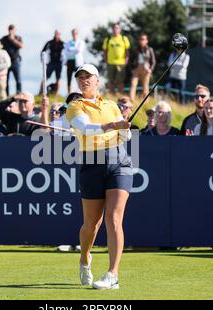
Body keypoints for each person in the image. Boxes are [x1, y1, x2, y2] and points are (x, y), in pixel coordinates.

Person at [66, 64, 133, 290]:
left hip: (119, 162)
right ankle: (85, 258)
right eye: (80, 77)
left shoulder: (111, 105)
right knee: (90, 225)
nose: (84, 80)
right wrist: (114, 124)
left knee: (114, 219)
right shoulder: (75, 106)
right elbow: (84, 128)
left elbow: (124, 136)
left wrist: (125, 129)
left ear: (97, 80)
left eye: (88, 77)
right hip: (91, 163)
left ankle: (113, 274)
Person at [103, 23, 130, 95]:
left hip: (121, 63)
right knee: (111, 80)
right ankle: (111, 95)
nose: (116, 29)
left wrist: (127, 59)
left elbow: (127, 50)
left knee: (120, 81)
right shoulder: (108, 39)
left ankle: (120, 95)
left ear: (120, 29)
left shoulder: (124, 39)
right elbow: (105, 50)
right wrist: (105, 60)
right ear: (112, 29)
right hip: (110, 62)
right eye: (114, 28)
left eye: (117, 28)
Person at [129, 34, 156, 102]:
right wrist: (132, 69)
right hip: (137, 68)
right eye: (140, 39)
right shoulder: (136, 49)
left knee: (145, 86)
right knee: (133, 83)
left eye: (143, 39)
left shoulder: (150, 49)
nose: (142, 41)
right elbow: (131, 60)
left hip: (146, 69)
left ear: (146, 41)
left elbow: (153, 61)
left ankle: (145, 101)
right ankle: (131, 99)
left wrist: (151, 69)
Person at [0, 25, 24, 96]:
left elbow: (21, 46)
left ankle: (19, 94)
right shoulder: (4, 39)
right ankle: (6, 95)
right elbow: (0, 47)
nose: (11, 31)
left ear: (15, 30)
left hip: (16, 61)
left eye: (12, 29)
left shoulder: (18, 38)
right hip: (6, 62)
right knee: (6, 80)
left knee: (18, 80)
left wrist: (13, 40)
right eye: (10, 29)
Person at [40, 30, 64, 96]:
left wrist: (65, 61)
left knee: (58, 78)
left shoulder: (62, 43)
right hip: (51, 63)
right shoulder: (50, 43)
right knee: (45, 77)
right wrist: (43, 61)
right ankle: (41, 92)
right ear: (54, 34)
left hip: (59, 63)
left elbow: (66, 53)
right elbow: (43, 51)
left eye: (58, 34)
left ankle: (56, 93)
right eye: (56, 33)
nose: (57, 35)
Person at [64, 28, 86, 94]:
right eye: (73, 33)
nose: (74, 34)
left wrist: (70, 50)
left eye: (76, 33)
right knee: (69, 78)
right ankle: (69, 93)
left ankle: (80, 91)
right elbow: (66, 52)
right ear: (72, 34)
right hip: (70, 61)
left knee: (79, 77)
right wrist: (74, 50)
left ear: (77, 34)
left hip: (78, 63)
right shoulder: (68, 42)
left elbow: (79, 50)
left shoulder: (81, 42)